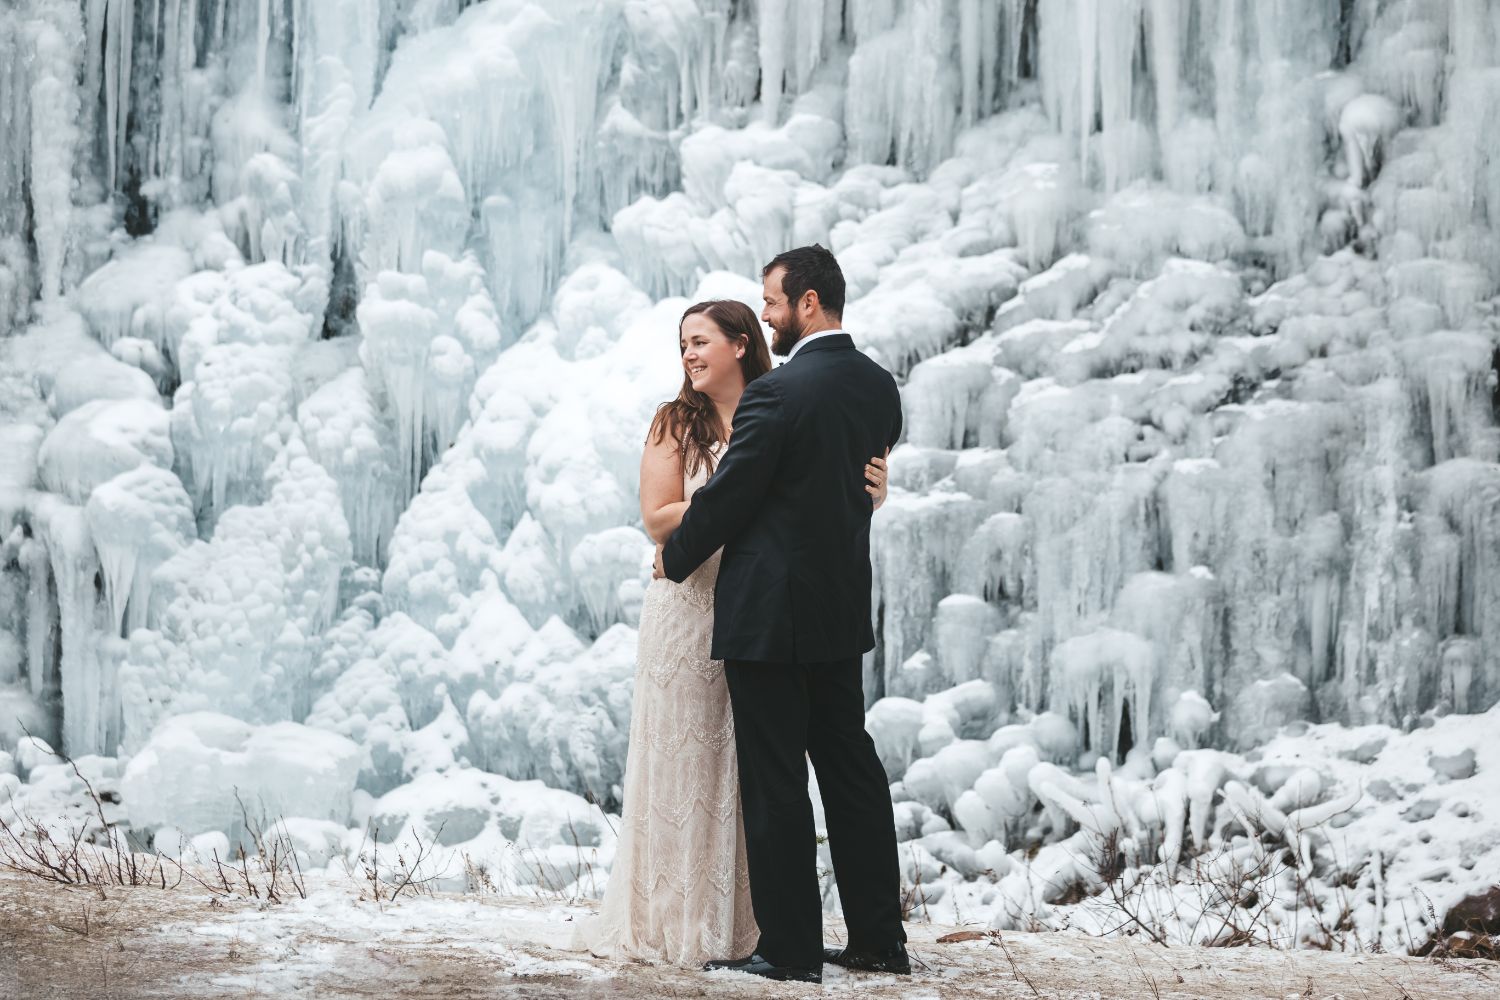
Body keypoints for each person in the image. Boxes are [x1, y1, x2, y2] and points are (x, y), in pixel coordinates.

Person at [577, 296, 890, 968]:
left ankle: (752, 929)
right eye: (683, 344)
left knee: (750, 773)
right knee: (689, 763)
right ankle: (677, 921)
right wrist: (753, 488)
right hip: (690, 610)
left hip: (770, 613)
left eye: (701, 341)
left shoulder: (781, 403)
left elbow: (826, 489)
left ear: (742, 343)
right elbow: (659, 520)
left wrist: (815, 486)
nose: (689, 355)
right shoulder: (673, 424)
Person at [656, 245, 909, 984]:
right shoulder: (876, 387)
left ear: (806, 302)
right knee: (851, 770)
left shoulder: (777, 394)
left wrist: (675, 558)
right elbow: (854, 480)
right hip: (837, 612)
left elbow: (735, 493)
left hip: (770, 615)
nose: (765, 315)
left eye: (771, 301)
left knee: (775, 782)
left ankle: (791, 951)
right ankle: (878, 941)